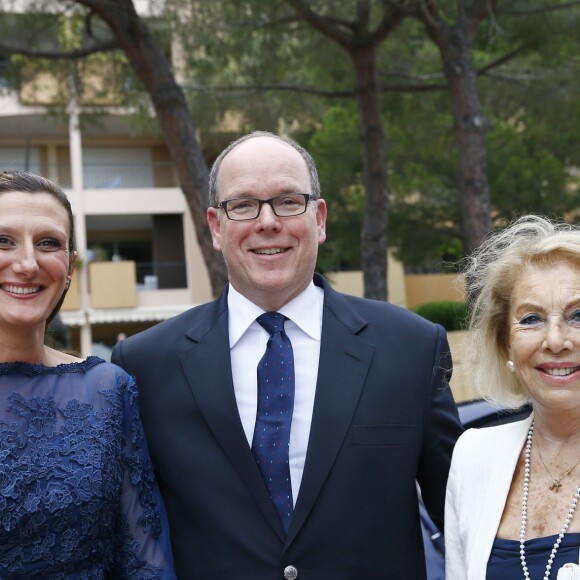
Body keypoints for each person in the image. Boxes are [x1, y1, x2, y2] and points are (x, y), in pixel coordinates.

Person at [112, 131, 463, 579]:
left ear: (319, 218)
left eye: (287, 201)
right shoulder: (144, 364)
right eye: (243, 205)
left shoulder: (412, 348)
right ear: (217, 228)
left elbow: (463, 518)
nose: (267, 222)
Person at [0, 171, 176, 578]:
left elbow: (145, 558)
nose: (27, 263)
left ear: (70, 267)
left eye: (49, 243)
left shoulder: (107, 389)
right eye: (3, 240)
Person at [445, 215, 580, 579]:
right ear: (505, 341)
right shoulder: (473, 456)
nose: (556, 340)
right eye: (532, 319)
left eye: (578, 315)